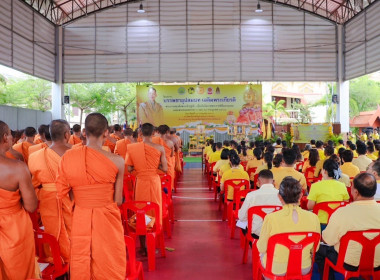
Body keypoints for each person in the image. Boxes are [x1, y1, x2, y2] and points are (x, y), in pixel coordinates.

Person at [56, 113, 126, 279]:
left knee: (82, 258)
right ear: (106, 133)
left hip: (80, 215)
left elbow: (62, 192)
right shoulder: (118, 161)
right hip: (107, 218)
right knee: (108, 259)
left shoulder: (68, 157)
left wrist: (82, 200)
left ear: (84, 132)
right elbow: (117, 200)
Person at [315, 173, 380, 279]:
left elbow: (327, 240)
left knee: (319, 250)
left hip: (349, 263)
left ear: (355, 191)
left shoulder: (342, 212)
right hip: (378, 263)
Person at [257, 177, 320, 276]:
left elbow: (261, 248)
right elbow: (315, 249)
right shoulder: (314, 218)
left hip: (276, 269)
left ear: (279, 197)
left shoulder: (271, 218)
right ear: (301, 195)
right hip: (303, 268)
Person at [28, 119, 72, 262]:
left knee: (52, 231)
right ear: (67, 134)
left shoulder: (35, 156)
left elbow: (34, 184)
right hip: (72, 199)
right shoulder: (76, 153)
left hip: (47, 200)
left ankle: (55, 259)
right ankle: (74, 262)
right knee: (73, 232)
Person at [0, 121, 38, 279]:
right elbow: (31, 206)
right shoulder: (18, 168)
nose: (11, 137)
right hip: (14, 228)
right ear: (4, 137)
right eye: (10, 134)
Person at [126, 122, 168, 222]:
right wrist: (155, 165)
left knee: (141, 205)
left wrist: (139, 166)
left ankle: (142, 228)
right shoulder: (160, 148)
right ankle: (156, 226)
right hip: (154, 180)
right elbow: (165, 169)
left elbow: (129, 169)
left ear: (140, 133)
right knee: (155, 204)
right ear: (153, 133)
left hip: (140, 181)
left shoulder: (132, 148)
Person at [238, 170, 281, 239]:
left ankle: (254, 246)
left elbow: (242, 217)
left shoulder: (251, 195)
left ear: (258, 181)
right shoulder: (282, 195)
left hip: (257, 233)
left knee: (240, 223)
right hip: (276, 232)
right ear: (273, 181)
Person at [307, 159, 349, 224]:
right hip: (337, 222)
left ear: (325, 171)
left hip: (321, 223)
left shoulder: (315, 186)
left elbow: (310, 206)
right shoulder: (342, 186)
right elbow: (346, 204)